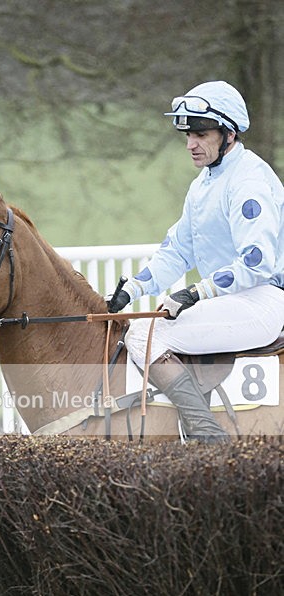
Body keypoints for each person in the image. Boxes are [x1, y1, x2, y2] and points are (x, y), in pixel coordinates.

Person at [108, 80, 284, 440]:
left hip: (262, 301)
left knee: (142, 335)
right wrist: (134, 288)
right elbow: (177, 251)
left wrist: (196, 293)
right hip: (233, 301)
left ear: (229, 134)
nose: (191, 144)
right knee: (142, 323)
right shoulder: (204, 183)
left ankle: (207, 435)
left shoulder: (248, 180)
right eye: (188, 135)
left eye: (201, 134)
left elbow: (256, 262)